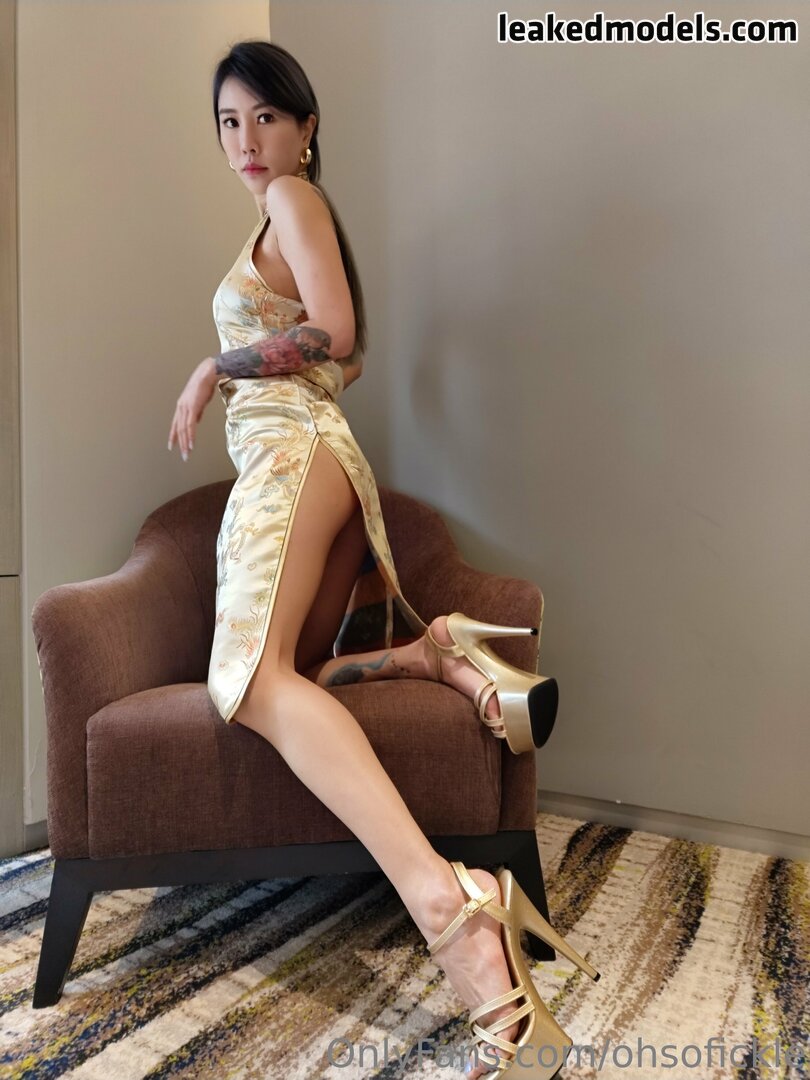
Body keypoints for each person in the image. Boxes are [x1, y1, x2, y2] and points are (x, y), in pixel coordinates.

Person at [167, 40, 597, 1078]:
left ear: (306, 127)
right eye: (228, 122)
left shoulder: (294, 199)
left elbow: (337, 328)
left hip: (291, 459)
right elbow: (345, 358)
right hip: (314, 456)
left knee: (245, 680)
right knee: (301, 681)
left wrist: (215, 367)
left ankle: (449, 907)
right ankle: (437, 653)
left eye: (266, 117)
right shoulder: (285, 219)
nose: (246, 140)